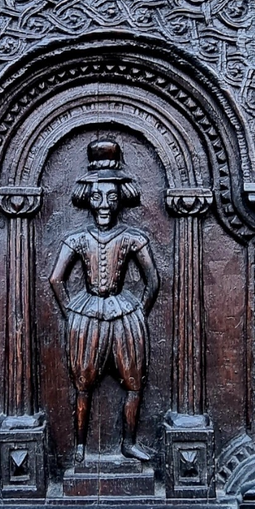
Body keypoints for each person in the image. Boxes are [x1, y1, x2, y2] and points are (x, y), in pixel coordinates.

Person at [48, 140, 160, 463]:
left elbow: (153, 281)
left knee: (134, 382)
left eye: (111, 197)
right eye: (97, 197)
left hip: (123, 313)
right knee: (83, 383)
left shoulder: (133, 238)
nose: (104, 204)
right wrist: (72, 312)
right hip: (88, 313)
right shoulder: (77, 239)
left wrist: (138, 311)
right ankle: (80, 446)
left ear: (120, 199)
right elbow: (56, 279)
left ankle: (128, 442)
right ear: (88, 200)